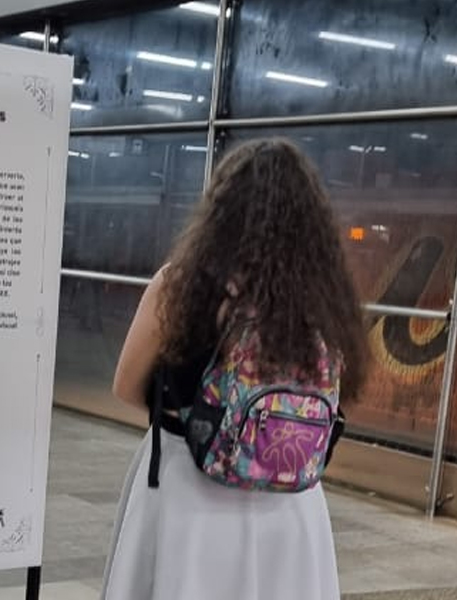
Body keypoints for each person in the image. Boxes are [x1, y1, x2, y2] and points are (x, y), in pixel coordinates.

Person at [101, 139, 367, 600]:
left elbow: (126, 386)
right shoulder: (328, 301)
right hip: (293, 502)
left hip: (191, 494)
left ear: (220, 211)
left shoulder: (180, 286)